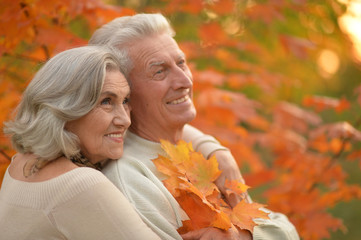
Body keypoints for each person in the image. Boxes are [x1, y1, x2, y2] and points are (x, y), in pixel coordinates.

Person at [89, 13, 300, 240]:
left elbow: (288, 230)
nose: (185, 81)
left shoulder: (202, 152)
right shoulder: (132, 181)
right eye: (159, 71)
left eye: (181, 63)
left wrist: (241, 237)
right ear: (124, 92)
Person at [0, 45, 161, 240]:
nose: (125, 120)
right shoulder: (81, 184)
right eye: (106, 101)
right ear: (64, 110)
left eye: (125, 101)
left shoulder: (19, 163)